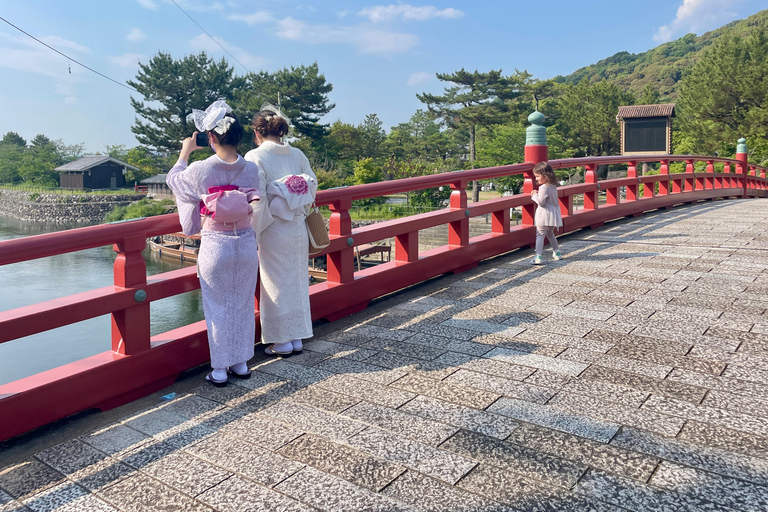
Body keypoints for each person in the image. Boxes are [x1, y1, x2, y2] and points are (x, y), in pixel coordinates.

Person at [166, 100, 260, 387]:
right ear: (239, 137)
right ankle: (241, 363)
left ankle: (220, 369)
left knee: (217, 307)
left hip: (216, 243)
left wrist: (184, 152)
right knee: (242, 303)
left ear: (211, 137)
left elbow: (174, 182)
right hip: (245, 242)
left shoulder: (201, 170)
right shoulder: (252, 169)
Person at [245, 106, 316, 356]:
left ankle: (282, 340)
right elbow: (311, 185)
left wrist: (253, 232)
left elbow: (258, 199)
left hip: (273, 227)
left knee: (275, 282)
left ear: (257, 132)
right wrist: (292, 198)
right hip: (297, 226)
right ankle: (297, 335)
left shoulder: (255, 156)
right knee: (296, 280)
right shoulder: (297, 154)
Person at [530, 161, 563, 265]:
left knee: (540, 234)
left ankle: (538, 256)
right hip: (553, 214)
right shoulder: (553, 186)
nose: (536, 179)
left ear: (545, 175)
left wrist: (533, 195)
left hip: (543, 214)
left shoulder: (543, 188)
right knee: (550, 233)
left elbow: (541, 202)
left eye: (537, 176)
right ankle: (557, 252)